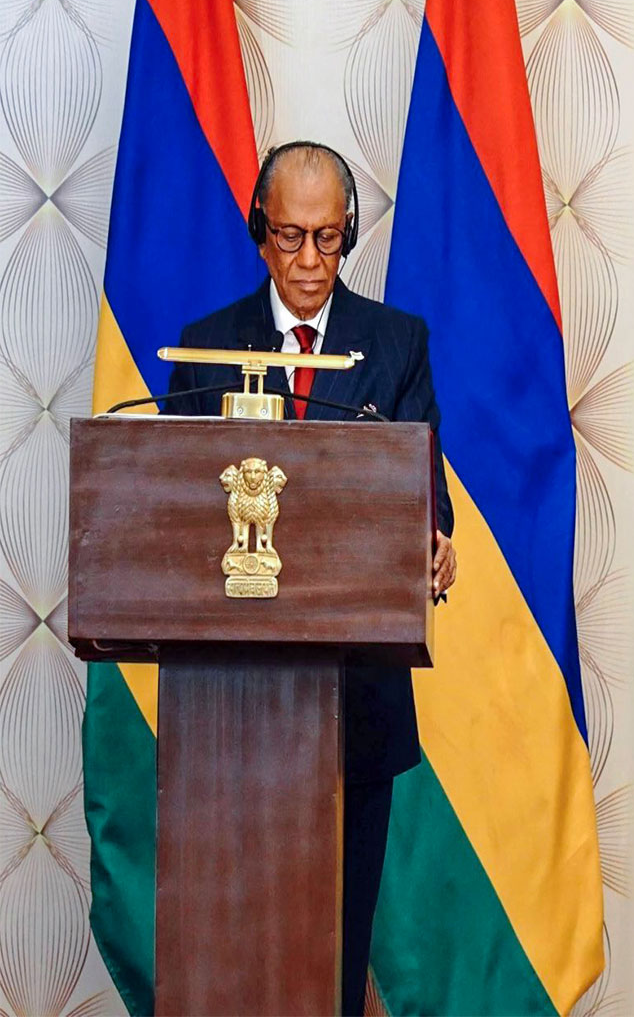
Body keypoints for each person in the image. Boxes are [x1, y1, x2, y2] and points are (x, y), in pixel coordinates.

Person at [164, 141, 457, 1015]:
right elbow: (172, 513)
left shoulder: (396, 343)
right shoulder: (208, 346)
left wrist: (435, 540)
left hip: (356, 702)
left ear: (349, 235)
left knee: (337, 947)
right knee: (231, 949)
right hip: (225, 710)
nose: (307, 261)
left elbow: (425, 494)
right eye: (289, 237)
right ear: (260, 232)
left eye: (327, 238)